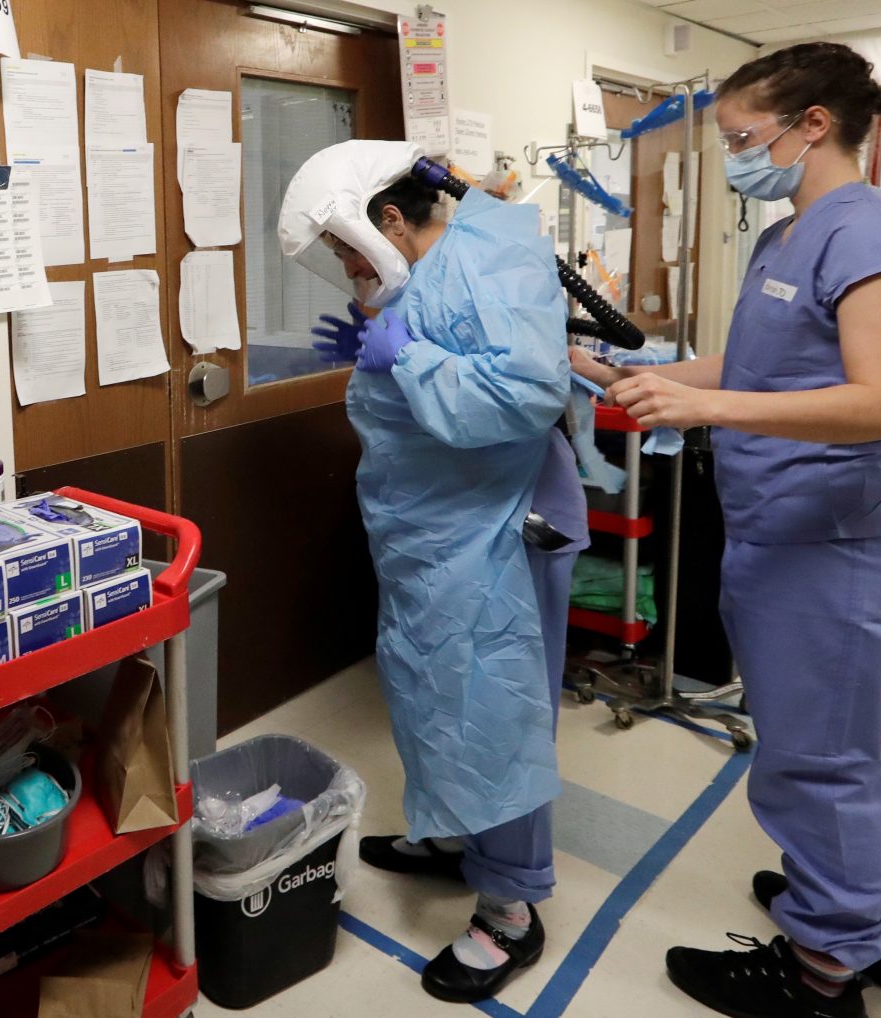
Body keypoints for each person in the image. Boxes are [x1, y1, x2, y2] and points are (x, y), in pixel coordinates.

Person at [574, 43, 881, 1018]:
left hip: (837, 543)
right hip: (784, 535)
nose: (736, 153)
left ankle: (824, 977)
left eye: (741, 137)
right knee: (828, 748)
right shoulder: (791, 233)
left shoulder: (868, 231)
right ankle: (868, 917)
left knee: (816, 762)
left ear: (811, 124)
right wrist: (615, 370)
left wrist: (713, 413)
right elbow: (749, 365)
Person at [281, 140, 586, 1004]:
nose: (343, 266)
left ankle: (510, 911)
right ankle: (454, 835)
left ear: (386, 221)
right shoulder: (434, 258)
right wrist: (388, 344)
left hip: (497, 523)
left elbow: (525, 393)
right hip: (435, 521)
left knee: (497, 704)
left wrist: (404, 357)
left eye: (343, 248)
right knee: (429, 683)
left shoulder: (490, 254)